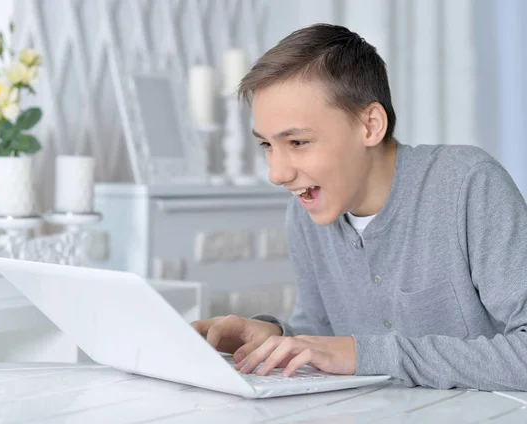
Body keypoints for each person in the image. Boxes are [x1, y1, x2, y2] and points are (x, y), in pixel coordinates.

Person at [191, 23, 527, 391]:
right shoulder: (306, 213)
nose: (277, 174)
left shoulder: (468, 184)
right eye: (267, 145)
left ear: (369, 126)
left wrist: (364, 354)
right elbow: (324, 340)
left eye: (298, 142)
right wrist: (274, 336)